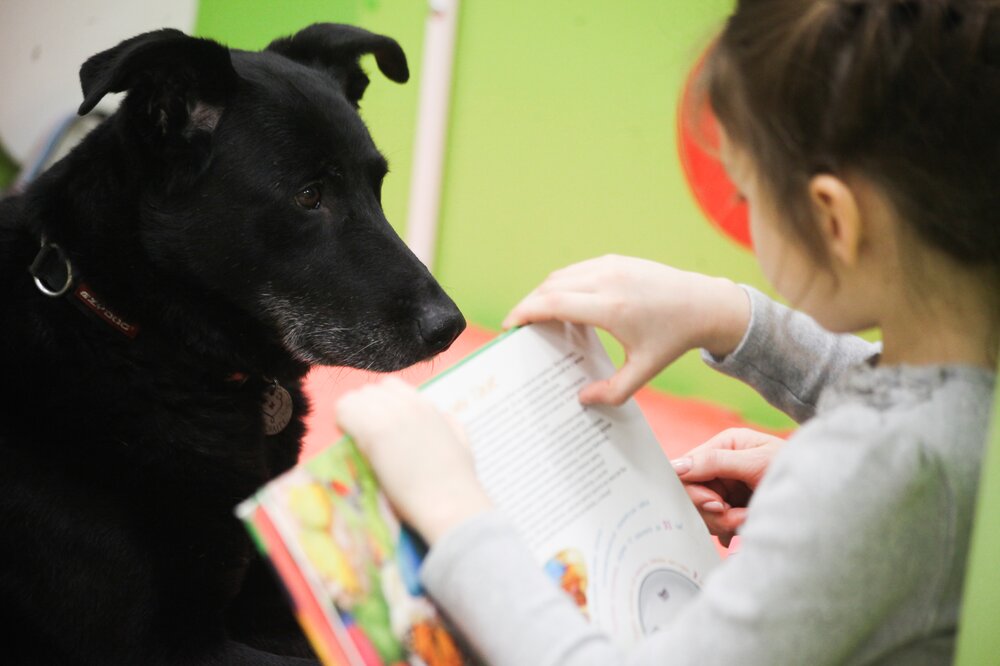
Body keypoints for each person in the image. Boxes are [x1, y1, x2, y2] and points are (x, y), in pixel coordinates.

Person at [335, 0, 1000, 663]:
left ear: (832, 218)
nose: (745, 214)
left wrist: (452, 510)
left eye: (746, 194)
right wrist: (731, 315)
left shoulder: (873, 478)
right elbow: (913, 396)